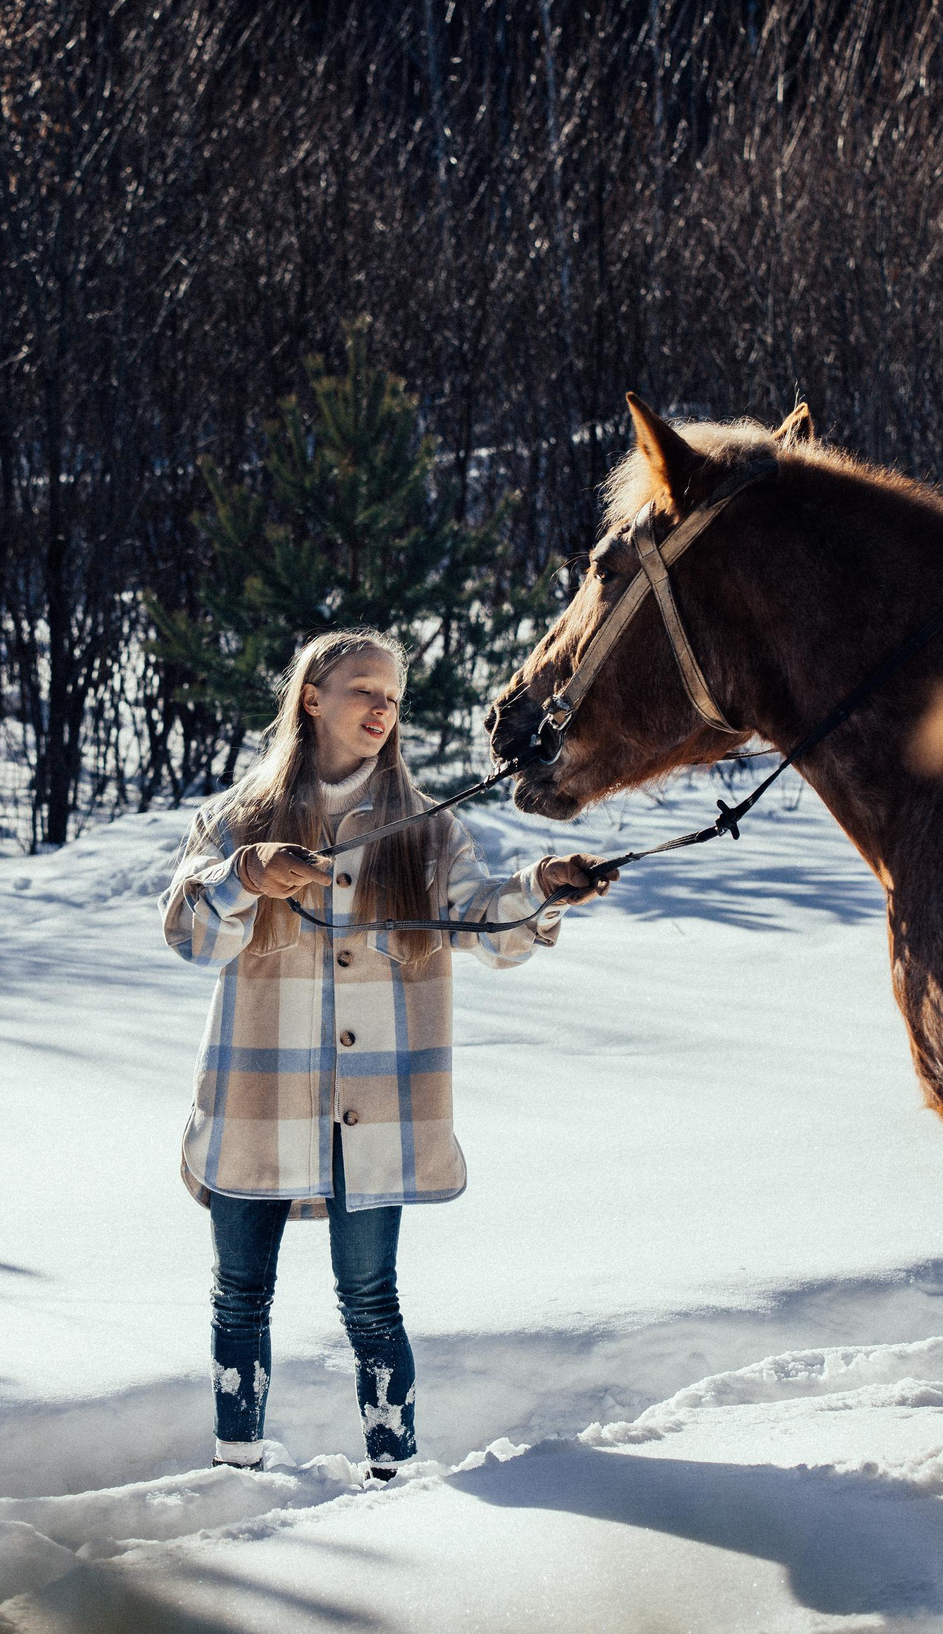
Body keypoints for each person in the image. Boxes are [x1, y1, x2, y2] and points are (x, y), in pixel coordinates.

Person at [160, 628, 612, 1479]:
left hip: (375, 1112)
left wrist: (541, 890)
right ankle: (234, 1473)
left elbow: (487, 923)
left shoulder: (426, 829)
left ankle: (396, 1475)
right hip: (258, 1103)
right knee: (239, 1298)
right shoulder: (234, 820)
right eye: (363, 688)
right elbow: (189, 935)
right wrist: (243, 877)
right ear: (312, 698)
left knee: (371, 1301)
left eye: (393, 697)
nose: (381, 708)